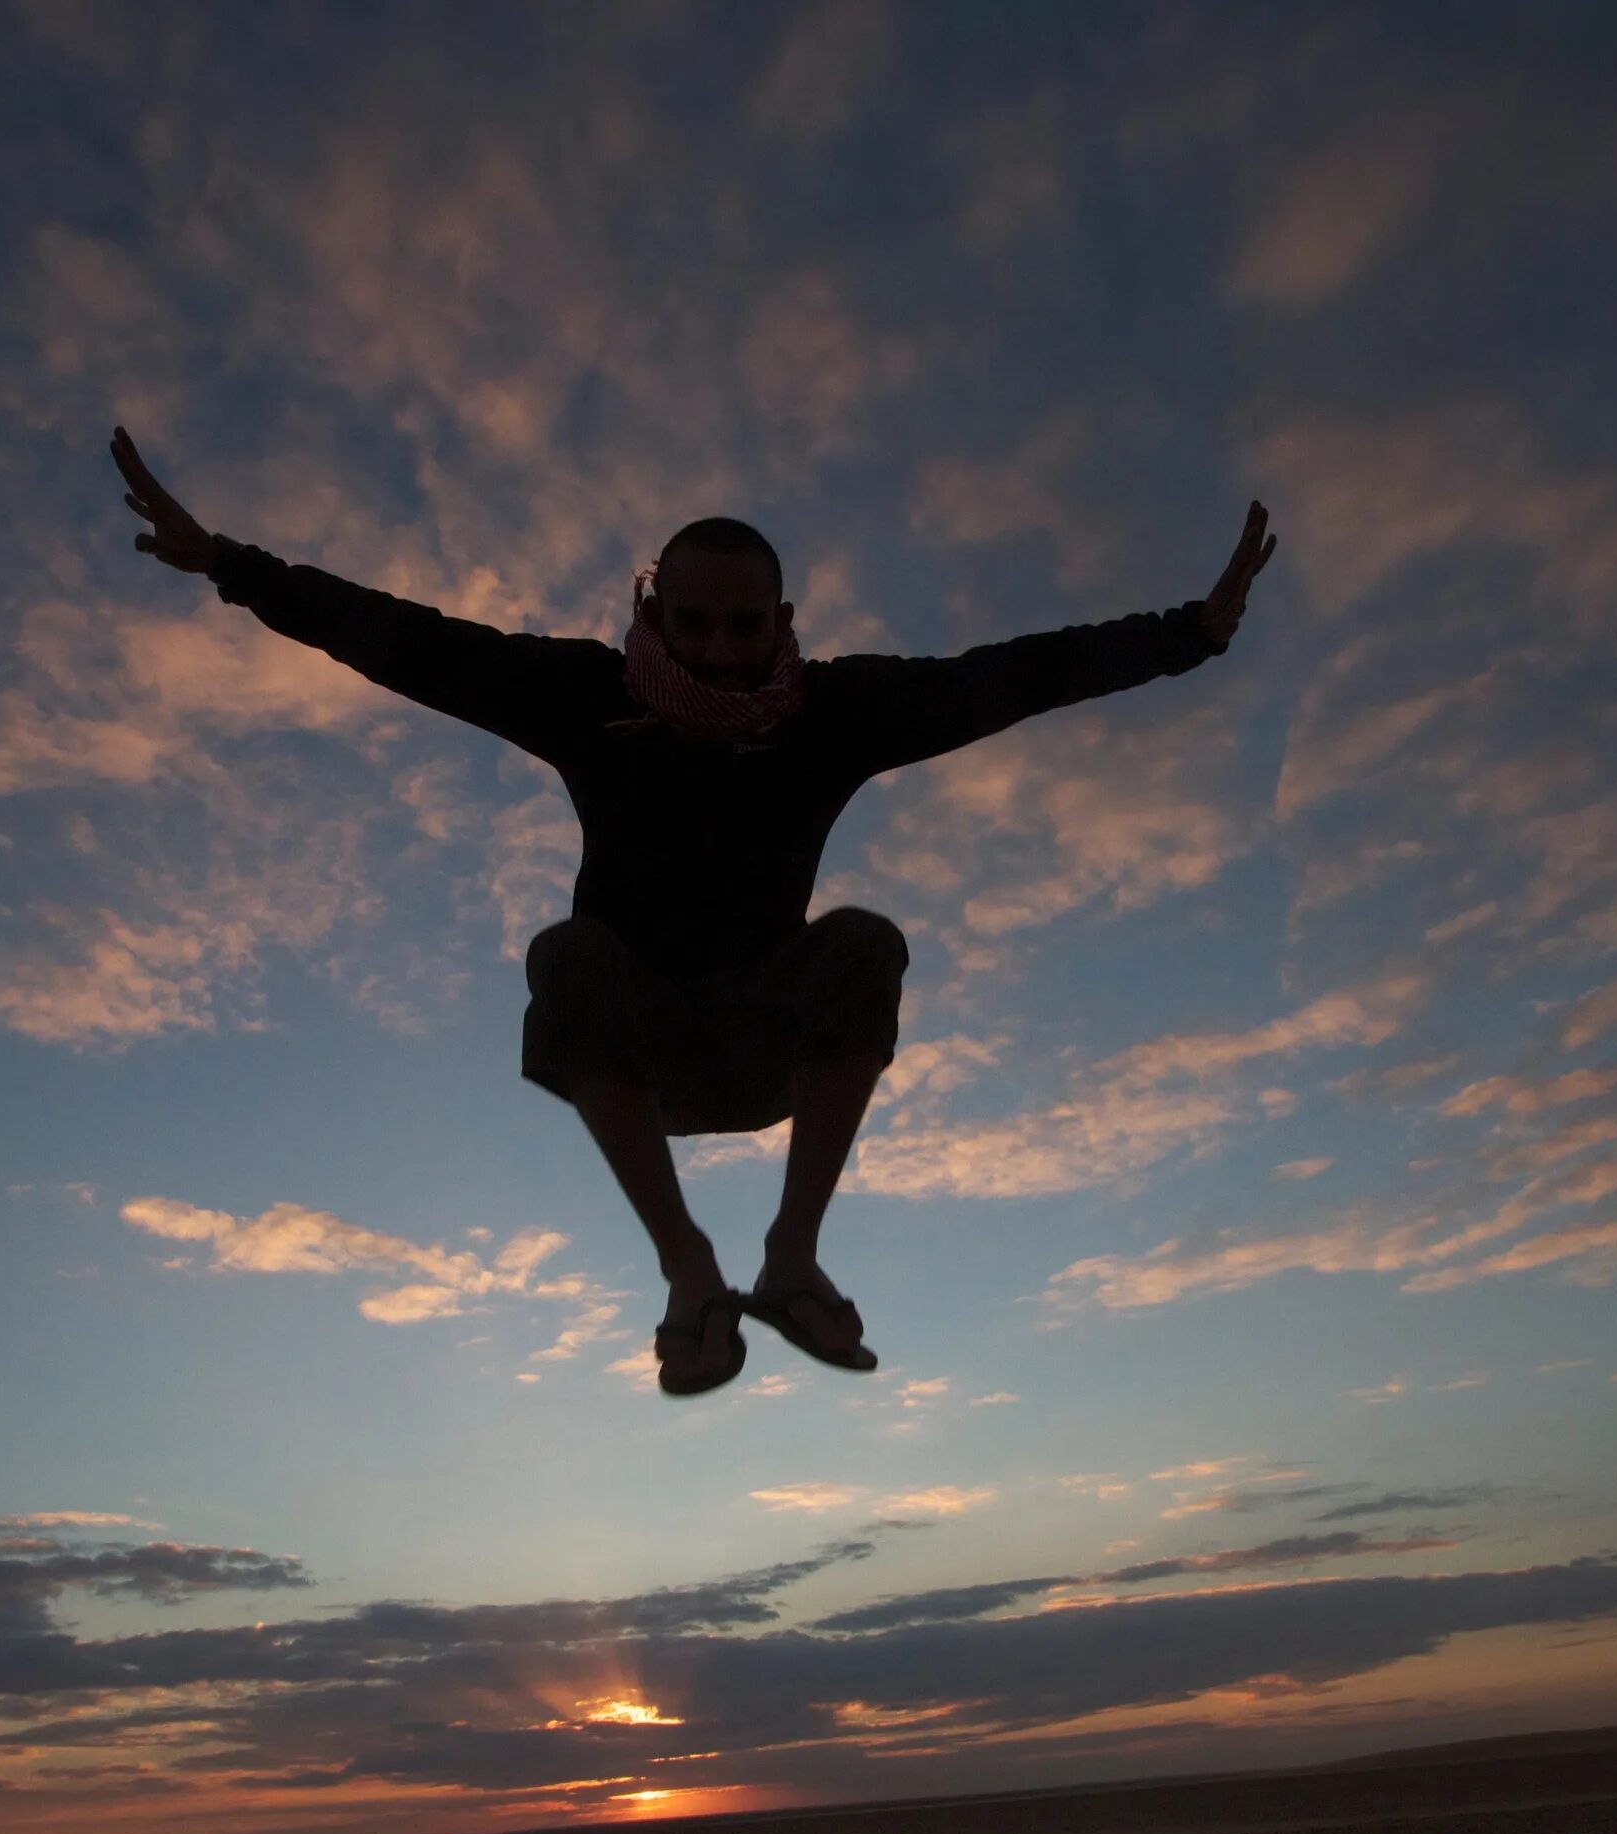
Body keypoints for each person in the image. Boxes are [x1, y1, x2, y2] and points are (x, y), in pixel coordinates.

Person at [112, 426, 1275, 1396]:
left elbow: (1014, 675)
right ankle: (688, 1269)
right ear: (655, 615)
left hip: (771, 1045)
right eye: (698, 625)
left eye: (745, 627)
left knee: (865, 941)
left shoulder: (833, 711)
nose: (721, 653)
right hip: (638, 1055)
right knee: (568, 953)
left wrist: (1187, 635)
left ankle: (791, 1259)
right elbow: (409, 642)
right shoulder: (587, 698)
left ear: (780, 622)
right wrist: (232, 563)